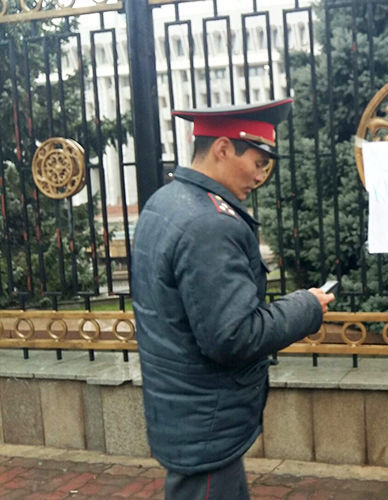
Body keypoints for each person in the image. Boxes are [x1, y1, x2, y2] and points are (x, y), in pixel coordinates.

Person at [131, 98, 334, 499]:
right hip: (206, 417)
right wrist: (306, 306)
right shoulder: (210, 223)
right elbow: (233, 335)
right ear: (223, 149)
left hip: (185, 409)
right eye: (258, 163)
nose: (260, 176)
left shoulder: (166, 201)